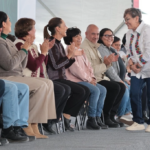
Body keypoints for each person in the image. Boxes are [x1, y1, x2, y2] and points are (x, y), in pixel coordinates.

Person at [0, 11, 56, 139]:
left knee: (47, 83)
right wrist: (25, 49)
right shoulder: (3, 42)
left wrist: (28, 48)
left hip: (17, 75)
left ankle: (33, 123)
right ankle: (27, 123)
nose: (10, 23)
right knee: (43, 85)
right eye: (8, 20)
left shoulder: (7, 41)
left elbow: (21, 64)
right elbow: (10, 65)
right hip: (7, 77)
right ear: (3, 24)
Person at [14, 18, 69, 134]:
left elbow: (42, 64)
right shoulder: (20, 44)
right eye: (33, 28)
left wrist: (46, 50)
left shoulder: (31, 45)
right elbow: (34, 66)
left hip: (36, 78)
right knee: (54, 88)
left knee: (53, 86)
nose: (35, 30)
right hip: (25, 78)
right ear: (28, 30)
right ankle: (35, 122)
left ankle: (39, 123)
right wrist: (44, 52)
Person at [44, 17, 90, 131]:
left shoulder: (59, 44)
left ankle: (65, 114)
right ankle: (51, 120)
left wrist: (71, 56)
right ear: (57, 29)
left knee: (85, 91)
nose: (66, 28)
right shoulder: (51, 43)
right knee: (67, 90)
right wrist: (69, 56)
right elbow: (55, 66)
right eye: (64, 25)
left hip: (61, 78)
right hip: (54, 79)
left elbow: (63, 65)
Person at [81, 24, 126, 128]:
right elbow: (91, 70)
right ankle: (104, 116)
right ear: (86, 34)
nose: (95, 36)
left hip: (100, 78)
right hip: (93, 79)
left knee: (121, 87)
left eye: (97, 34)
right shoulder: (86, 48)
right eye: (93, 34)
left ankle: (109, 116)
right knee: (116, 87)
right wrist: (106, 64)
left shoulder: (94, 46)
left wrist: (108, 62)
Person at [64, 27, 108, 130]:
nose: (79, 38)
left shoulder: (81, 51)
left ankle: (97, 117)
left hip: (86, 79)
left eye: (79, 35)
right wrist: (89, 79)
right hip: (75, 80)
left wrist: (92, 77)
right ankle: (91, 118)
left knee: (103, 89)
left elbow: (89, 66)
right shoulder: (69, 50)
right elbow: (76, 70)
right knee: (96, 90)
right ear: (70, 38)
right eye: (76, 36)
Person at [97, 28, 133, 126]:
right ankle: (109, 116)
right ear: (101, 37)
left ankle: (112, 115)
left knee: (122, 87)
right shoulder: (101, 48)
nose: (110, 38)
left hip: (116, 78)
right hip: (103, 78)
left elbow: (118, 66)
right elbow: (109, 69)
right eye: (107, 35)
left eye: (111, 36)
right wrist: (119, 80)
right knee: (119, 87)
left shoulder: (111, 49)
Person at [123, 8, 150, 131]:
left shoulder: (147, 29)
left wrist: (138, 65)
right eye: (125, 20)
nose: (126, 22)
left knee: (149, 96)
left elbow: (149, 51)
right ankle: (138, 121)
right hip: (136, 68)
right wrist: (131, 62)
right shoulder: (128, 33)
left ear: (136, 18)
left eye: (128, 19)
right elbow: (128, 51)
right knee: (134, 93)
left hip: (147, 68)